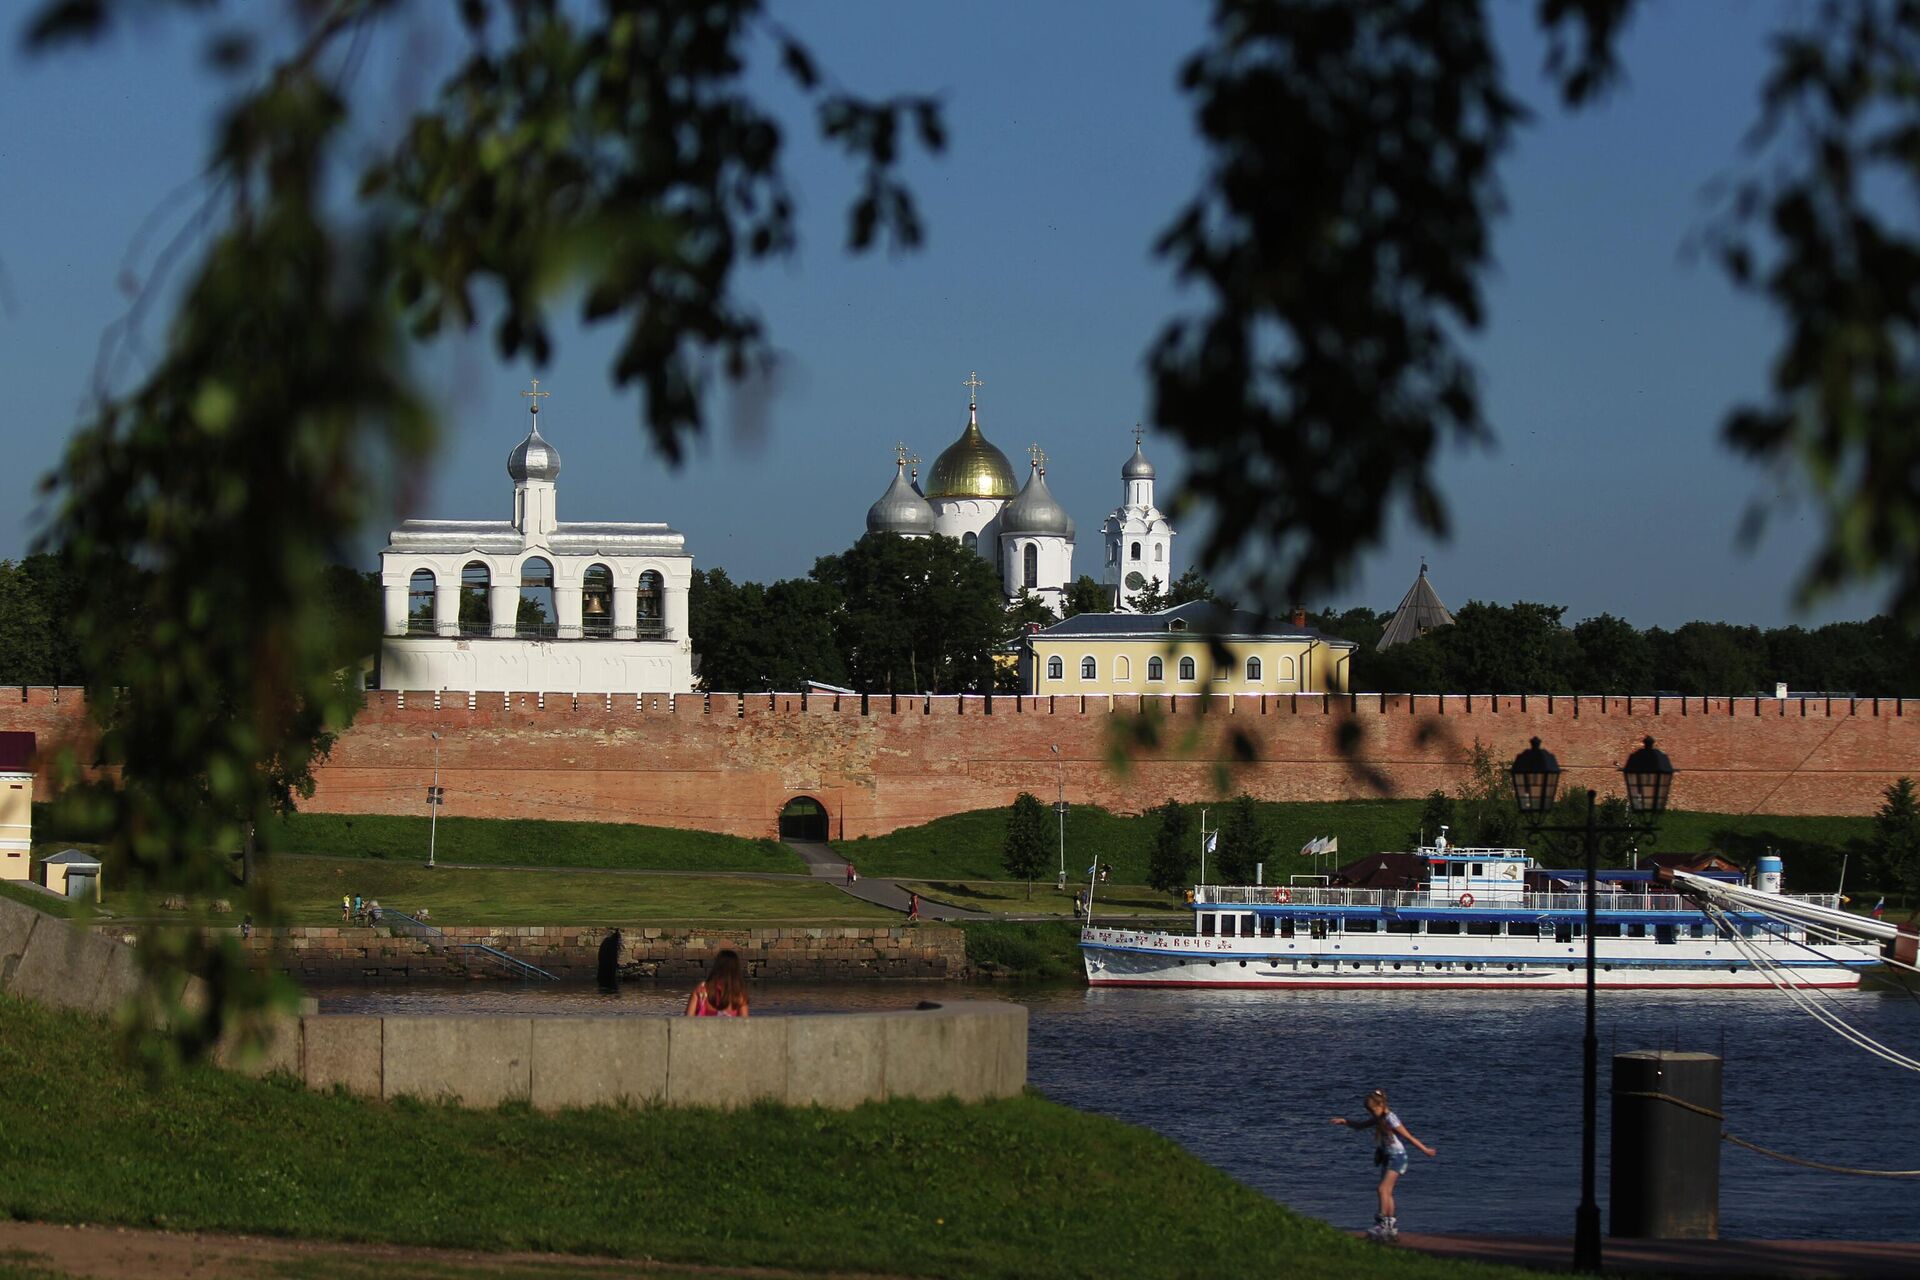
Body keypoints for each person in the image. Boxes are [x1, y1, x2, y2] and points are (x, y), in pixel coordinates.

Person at [1330, 1088, 1436, 1242]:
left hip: (1397, 1157)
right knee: (1387, 1192)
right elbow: (1360, 1126)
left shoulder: (1391, 1119)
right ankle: (1390, 1227)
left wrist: (1425, 1150)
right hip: (1388, 1157)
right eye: (1369, 1112)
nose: (1372, 1114)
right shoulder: (1379, 1118)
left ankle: (1382, 1225)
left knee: (1382, 1189)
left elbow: (1408, 1136)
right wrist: (1345, 1121)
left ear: (1381, 1105)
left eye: (1373, 1110)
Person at [684, 948, 750, 1017]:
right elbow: (745, 1024)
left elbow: (688, 1018)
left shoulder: (702, 990)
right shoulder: (739, 995)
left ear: (716, 966)